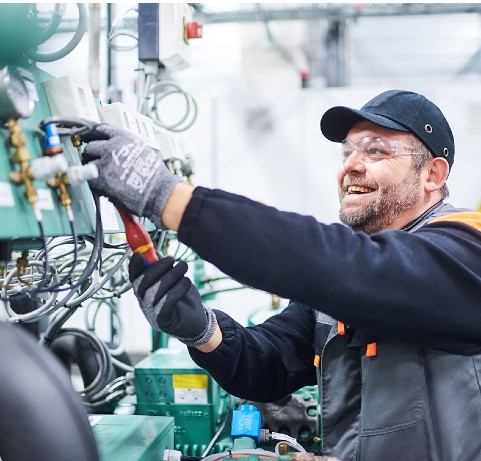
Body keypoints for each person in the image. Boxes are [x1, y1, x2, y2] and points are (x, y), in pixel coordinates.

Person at [83, 90, 481, 461]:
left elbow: (354, 267)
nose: (351, 165)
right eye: (347, 152)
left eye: (376, 151)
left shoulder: (465, 250)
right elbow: (270, 364)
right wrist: (201, 331)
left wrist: (166, 197)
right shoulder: (347, 273)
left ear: (432, 174)